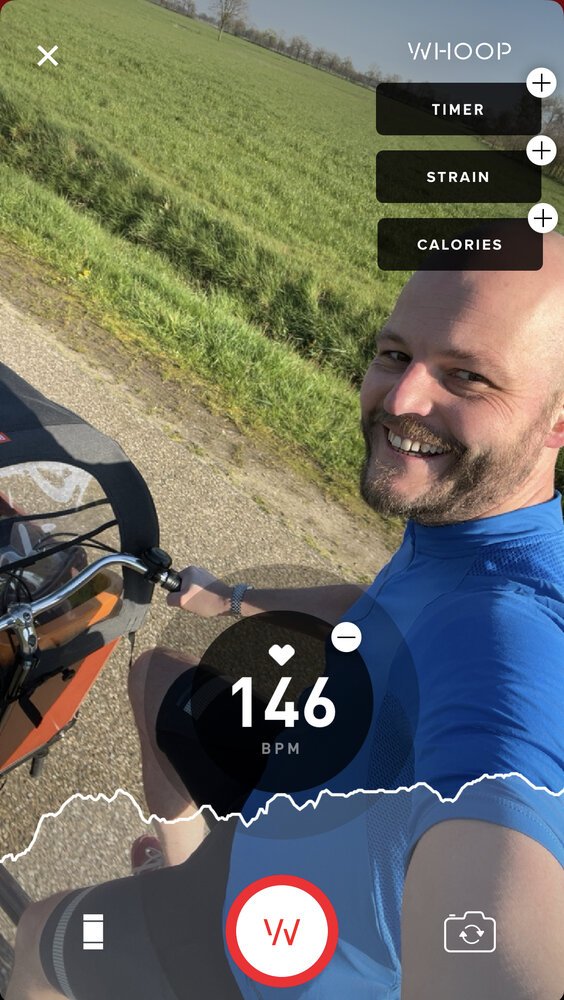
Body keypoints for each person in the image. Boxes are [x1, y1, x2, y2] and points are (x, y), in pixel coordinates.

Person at [7, 234, 564, 1000]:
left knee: (43, 936)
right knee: (156, 679)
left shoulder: (509, 630)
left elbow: (505, 943)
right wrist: (229, 599)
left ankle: (177, 908)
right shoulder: (479, 529)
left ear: (558, 424)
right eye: (396, 354)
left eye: (467, 377)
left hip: (277, 956)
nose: (402, 402)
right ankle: (183, 866)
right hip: (303, 799)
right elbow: (377, 609)